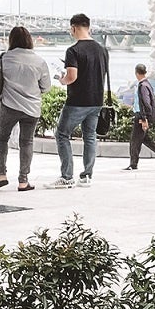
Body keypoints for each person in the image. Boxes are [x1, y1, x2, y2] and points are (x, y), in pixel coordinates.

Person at [0, 26, 51, 192]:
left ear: (11, 40)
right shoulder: (40, 61)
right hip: (32, 108)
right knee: (26, 142)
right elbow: (46, 88)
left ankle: (1, 175)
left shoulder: (5, 58)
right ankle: (23, 181)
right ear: (29, 40)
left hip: (9, 106)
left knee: (1, 139)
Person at [52, 13, 109, 188]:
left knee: (61, 134)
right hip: (97, 100)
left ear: (73, 28)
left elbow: (72, 77)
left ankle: (67, 176)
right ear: (88, 27)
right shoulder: (103, 50)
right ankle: (86, 176)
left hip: (77, 101)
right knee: (90, 136)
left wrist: (62, 80)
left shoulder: (73, 50)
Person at [124, 64, 155, 172]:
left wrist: (144, 119)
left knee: (134, 141)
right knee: (145, 140)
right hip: (141, 115)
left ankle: (133, 164)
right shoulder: (146, 84)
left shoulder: (143, 86)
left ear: (136, 73)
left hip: (141, 116)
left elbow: (146, 103)